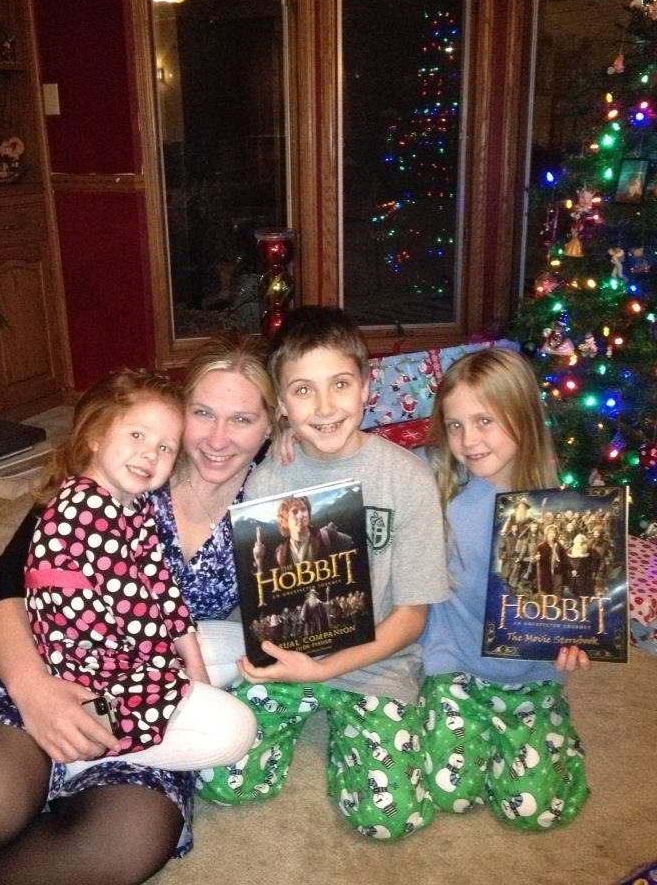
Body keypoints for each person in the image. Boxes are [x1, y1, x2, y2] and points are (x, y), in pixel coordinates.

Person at [0, 333, 277, 884]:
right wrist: (33, 689)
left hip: (142, 680)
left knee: (127, 840)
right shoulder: (118, 474)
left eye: (242, 419)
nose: (218, 438)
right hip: (42, 645)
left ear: (270, 426)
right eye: (202, 413)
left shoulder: (274, 497)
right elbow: (6, 584)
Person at [197, 305, 450, 840]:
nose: (325, 406)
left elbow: (412, 618)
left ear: (366, 387)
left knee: (392, 819)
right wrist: (293, 666)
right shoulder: (267, 479)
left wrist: (328, 670)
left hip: (377, 663)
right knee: (222, 782)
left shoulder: (408, 479)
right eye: (303, 390)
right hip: (286, 659)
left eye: (340, 384)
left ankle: (366, 734)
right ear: (282, 406)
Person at [22, 368, 255, 775]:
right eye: (137, 435)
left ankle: (177, 707)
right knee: (238, 731)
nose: (150, 454)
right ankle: (90, 750)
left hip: (124, 653)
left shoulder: (133, 503)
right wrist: (177, 679)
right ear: (95, 436)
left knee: (246, 644)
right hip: (92, 679)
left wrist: (194, 668)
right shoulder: (86, 508)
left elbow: (161, 585)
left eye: (165, 447)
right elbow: (138, 615)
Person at [419, 347, 590, 832]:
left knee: (535, 811)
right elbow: (365, 464)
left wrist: (578, 640)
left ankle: (549, 743)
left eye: (484, 421)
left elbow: (578, 606)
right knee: (449, 793)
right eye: (455, 424)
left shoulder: (560, 508)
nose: (468, 440)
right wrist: (294, 442)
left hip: (533, 674)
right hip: (451, 665)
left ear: (523, 417)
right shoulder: (436, 479)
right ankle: (479, 736)